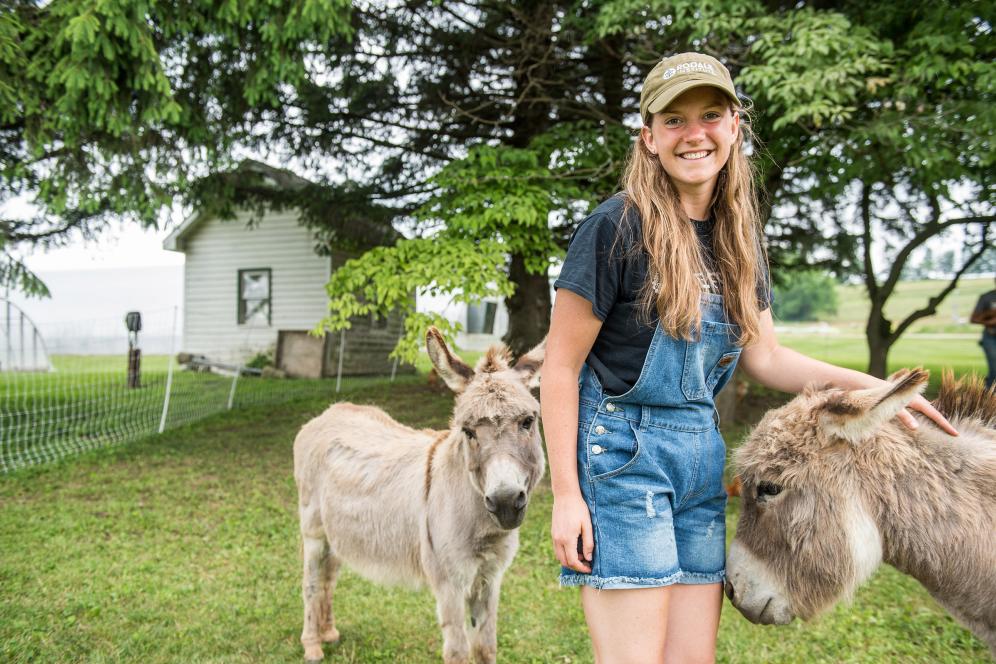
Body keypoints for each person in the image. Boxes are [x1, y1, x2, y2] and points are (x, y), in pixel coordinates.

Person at [540, 52, 958, 664]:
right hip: (624, 463)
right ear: (649, 137)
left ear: (735, 126)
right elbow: (560, 367)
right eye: (674, 120)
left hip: (701, 460)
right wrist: (568, 495)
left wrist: (877, 389)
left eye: (710, 115)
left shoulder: (738, 237)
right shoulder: (614, 229)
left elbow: (767, 358)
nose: (694, 134)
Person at [970, 276, 996, 389]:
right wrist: (989, 318)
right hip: (991, 337)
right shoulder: (987, 297)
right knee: (994, 369)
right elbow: (974, 318)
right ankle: (990, 397)